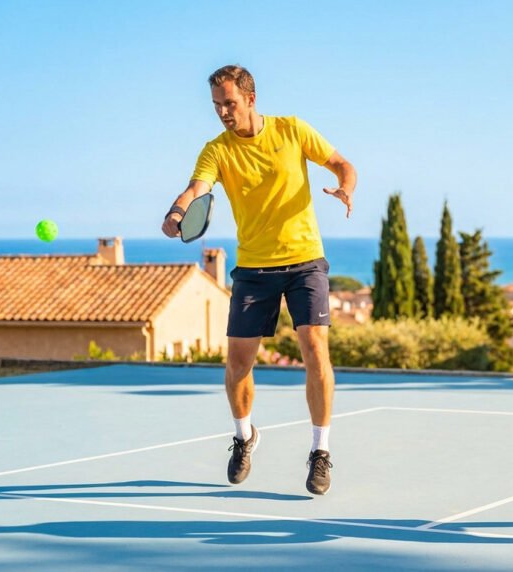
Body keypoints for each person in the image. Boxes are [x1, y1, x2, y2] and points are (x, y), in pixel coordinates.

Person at [161, 65, 356, 496]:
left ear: (251, 98)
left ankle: (321, 452)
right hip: (254, 269)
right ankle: (244, 436)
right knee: (237, 366)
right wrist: (176, 212)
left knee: (315, 350)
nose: (223, 112)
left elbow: (342, 163)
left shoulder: (292, 130)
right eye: (216, 106)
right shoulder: (217, 150)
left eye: (229, 103)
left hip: (305, 261)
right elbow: (196, 189)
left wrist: (345, 187)